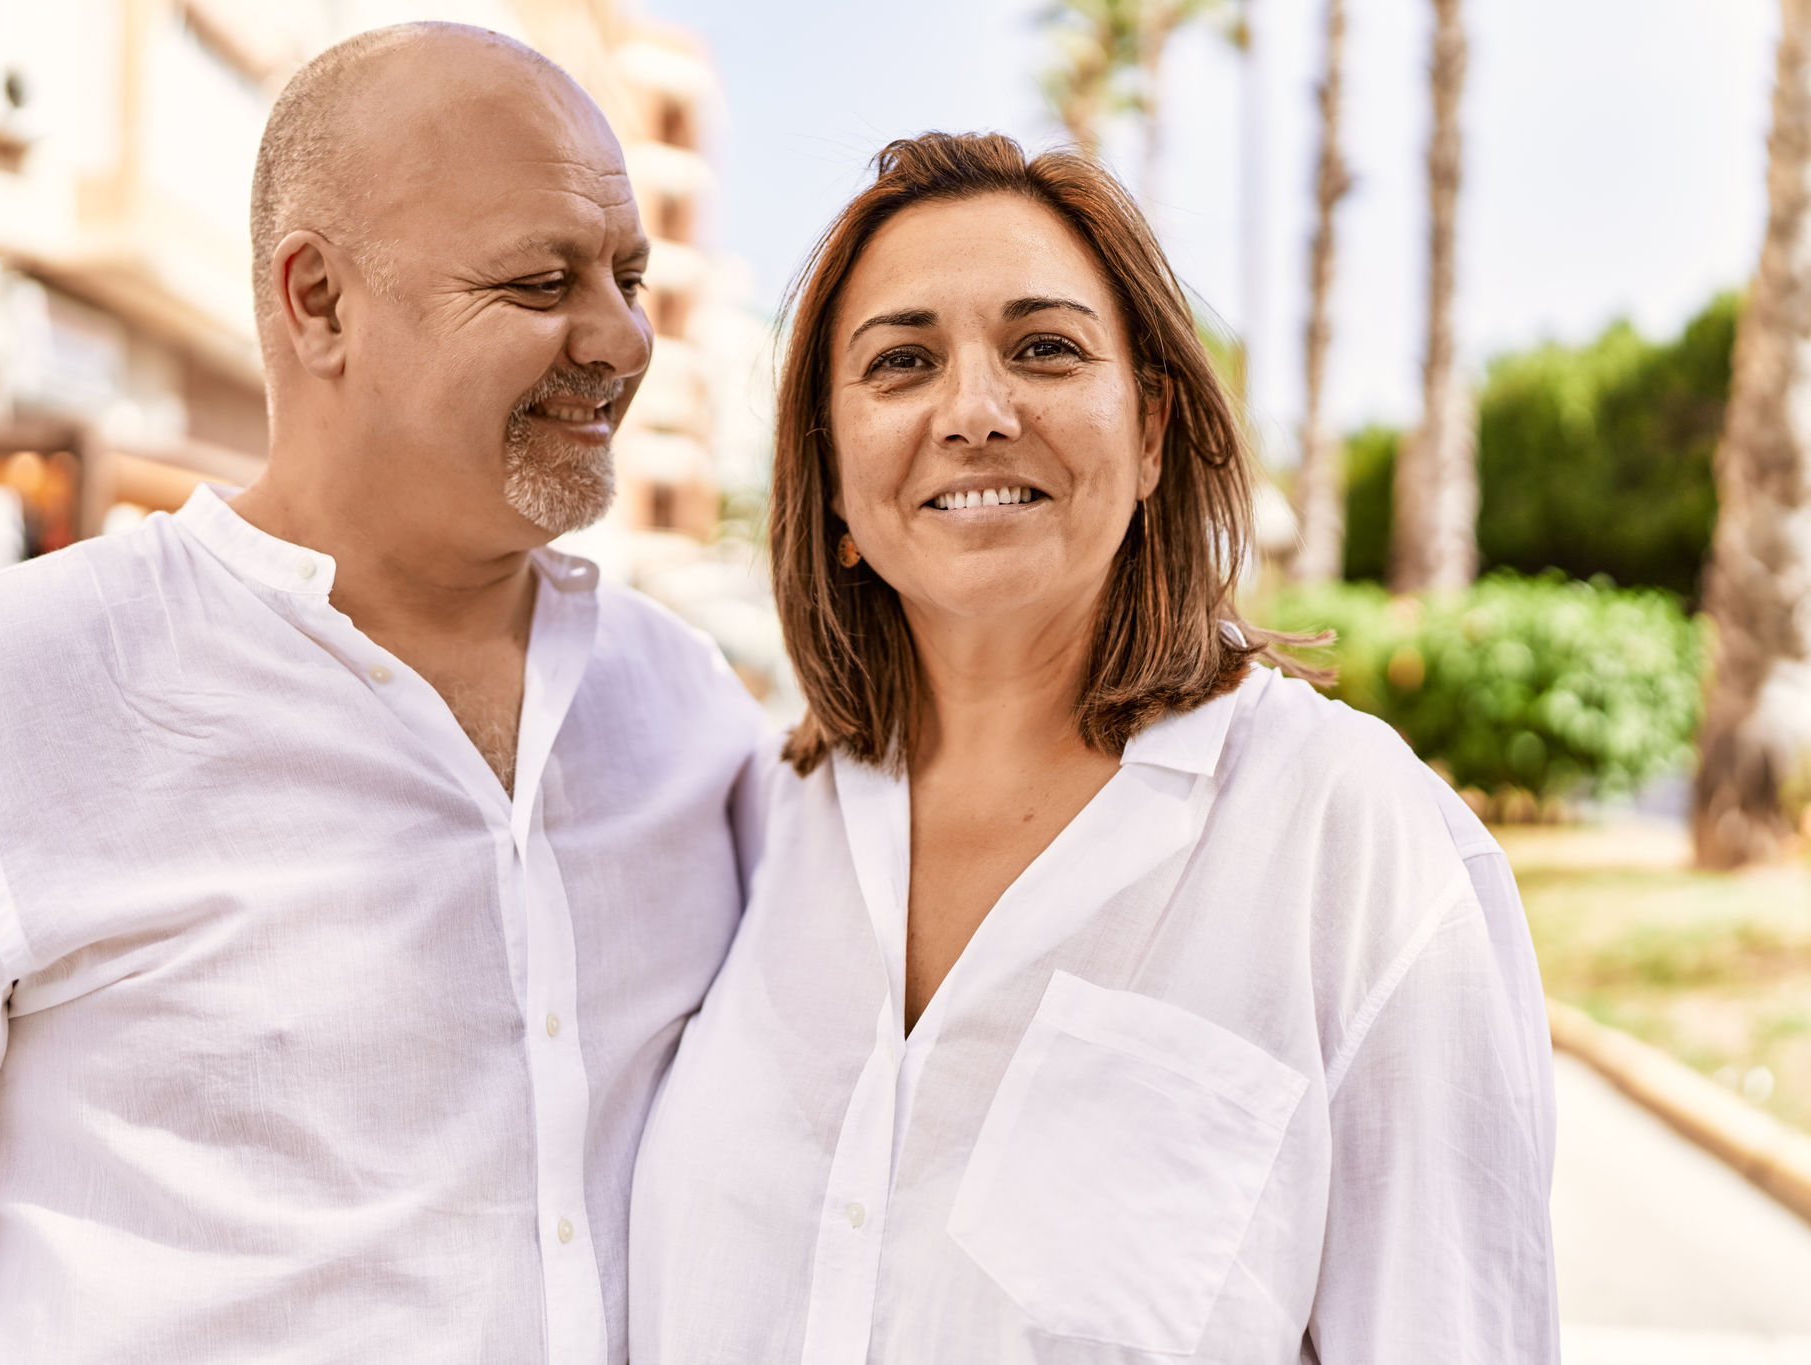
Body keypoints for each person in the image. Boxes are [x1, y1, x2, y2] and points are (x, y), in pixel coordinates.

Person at [0, 24, 760, 1364]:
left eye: (629, 275)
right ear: (318, 301)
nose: (622, 337)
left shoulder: (692, 713)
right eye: (540, 282)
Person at [629, 132, 1558, 1364]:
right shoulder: (752, 822)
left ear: (1154, 433)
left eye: (1045, 349)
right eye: (900, 362)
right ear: (833, 479)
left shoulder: (1345, 835)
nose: (973, 411)